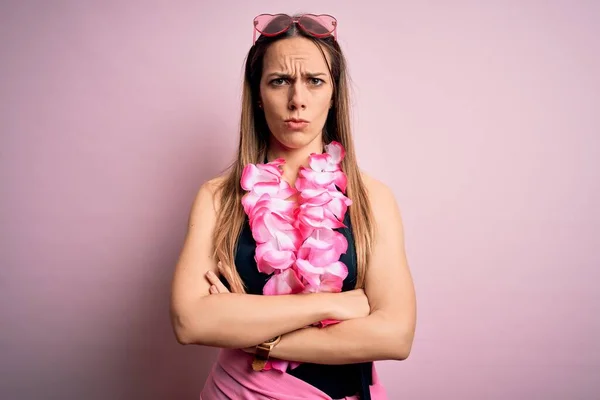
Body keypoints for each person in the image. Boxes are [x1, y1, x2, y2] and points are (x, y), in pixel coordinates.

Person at [169, 13, 416, 400]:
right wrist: (336, 305)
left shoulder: (373, 199)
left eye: (314, 81)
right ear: (257, 93)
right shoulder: (217, 198)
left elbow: (395, 335)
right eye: (279, 81)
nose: (297, 100)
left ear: (334, 94)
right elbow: (190, 322)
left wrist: (259, 339)